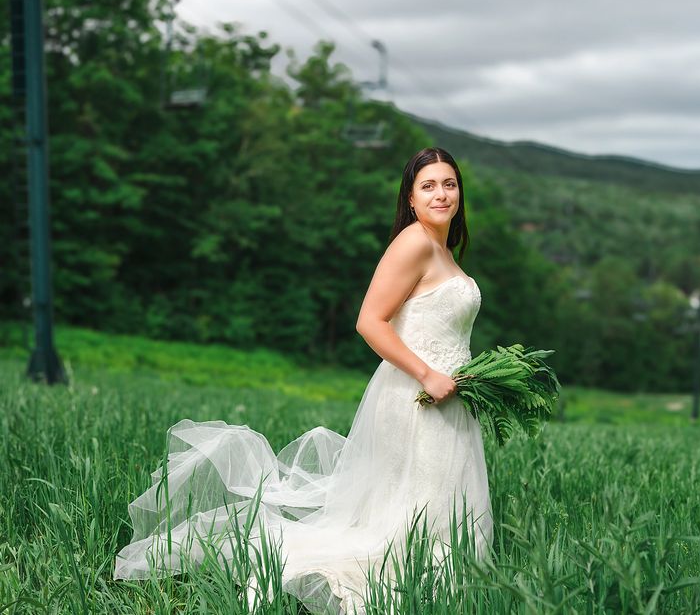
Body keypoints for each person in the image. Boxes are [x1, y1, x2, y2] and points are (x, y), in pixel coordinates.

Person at [112, 147, 493, 613]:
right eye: (428, 185)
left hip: (450, 395)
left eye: (449, 184)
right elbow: (370, 321)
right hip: (417, 394)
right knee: (413, 510)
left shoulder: (444, 250)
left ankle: (440, 582)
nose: (441, 194)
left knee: (437, 501)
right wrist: (427, 374)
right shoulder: (413, 242)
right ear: (410, 199)